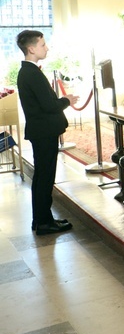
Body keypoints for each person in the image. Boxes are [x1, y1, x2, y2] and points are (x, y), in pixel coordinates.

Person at [16, 30, 78, 235]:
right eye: (43, 45)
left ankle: (42, 218)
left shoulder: (29, 71)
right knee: (44, 177)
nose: (47, 47)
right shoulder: (30, 72)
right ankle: (43, 222)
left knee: (44, 176)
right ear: (31, 48)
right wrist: (67, 100)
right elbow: (49, 105)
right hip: (43, 132)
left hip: (41, 131)